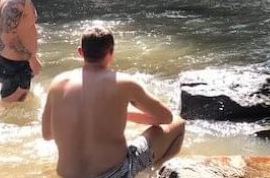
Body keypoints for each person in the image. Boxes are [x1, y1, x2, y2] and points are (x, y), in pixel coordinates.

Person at [42, 26, 187, 178]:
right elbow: (166, 118)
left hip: (68, 175)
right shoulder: (123, 83)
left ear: (80, 52)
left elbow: (47, 134)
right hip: (116, 174)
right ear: (111, 53)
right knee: (178, 123)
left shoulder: (58, 84)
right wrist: (123, 114)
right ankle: (153, 173)